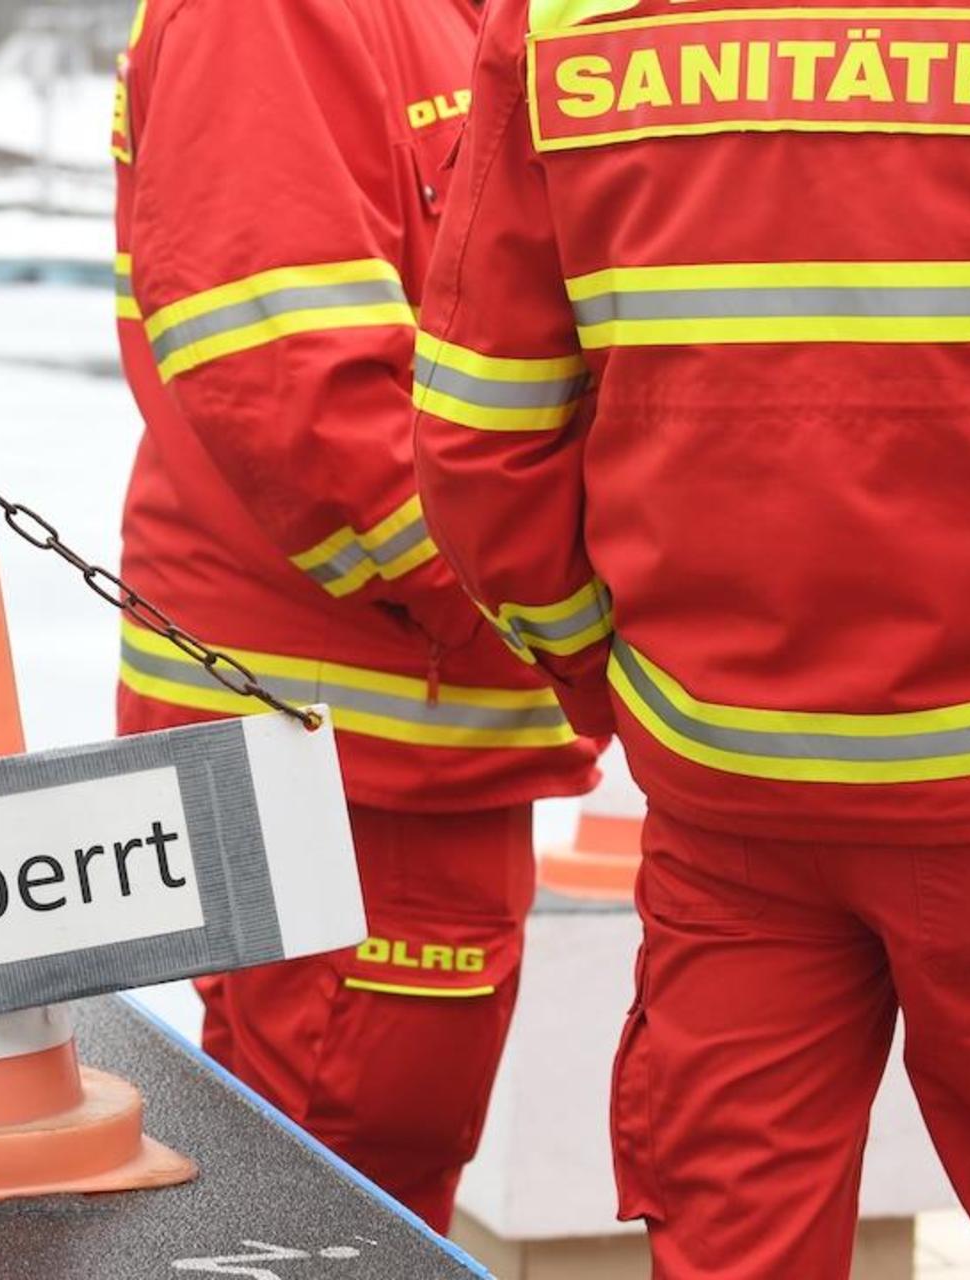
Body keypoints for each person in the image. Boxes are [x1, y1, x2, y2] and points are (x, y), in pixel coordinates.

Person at [411, 0, 970, 1273]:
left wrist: (616, 681)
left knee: (738, 1245)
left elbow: (480, 442)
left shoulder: (564, 18)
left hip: (729, 799)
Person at [109, 0, 601, 1231]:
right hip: (350, 752)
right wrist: (577, 617)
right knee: (338, 1208)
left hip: (413, 732)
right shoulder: (275, 18)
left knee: (343, 1187)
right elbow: (293, 388)